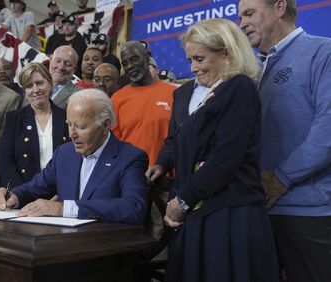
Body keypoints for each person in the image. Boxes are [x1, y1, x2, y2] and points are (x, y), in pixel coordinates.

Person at [162, 18, 278, 282]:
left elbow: (225, 159)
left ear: (226, 52)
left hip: (229, 217)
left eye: (200, 59)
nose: (192, 68)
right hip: (208, 212)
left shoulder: (239, 87)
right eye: (190, 60)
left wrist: (181, 202)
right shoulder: (217, 91)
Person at [239, 1, 331, 281]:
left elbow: (327, 130)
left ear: (279, 7)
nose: (241, 23)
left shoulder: (323, 51)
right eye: (240, 15)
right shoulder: (251, 71)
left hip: (309, 213)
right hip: (260, 209)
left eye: (249, 13)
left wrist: (281, 178)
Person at [0, 89, 149, 224]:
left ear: (106, 125)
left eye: (81, 127)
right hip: (63, 245)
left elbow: (134, 208)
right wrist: (14, 196)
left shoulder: (130, 158)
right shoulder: (64, 153)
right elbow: (34, 188)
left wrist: (64, 208)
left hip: (104, 249)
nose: (71, 134)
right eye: (69, 124)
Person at [0, 63, 69, 187]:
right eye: (29, 86)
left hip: (61, 193)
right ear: (24, 91)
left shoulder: (66, 118)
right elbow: (6, 163)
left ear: (49, 83)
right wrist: (21, 194)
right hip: (24, 194)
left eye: (39, 83)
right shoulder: (13, 119)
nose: (35, 90)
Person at [111, 41, 176, 166]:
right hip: (131, 175)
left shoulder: (174, 93)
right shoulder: (117, 98)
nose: (129, 66)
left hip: (168, 175)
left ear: (147, 59)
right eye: (125, 63)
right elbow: (114, 145)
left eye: (134, 59)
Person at [47, 45, 83, 110]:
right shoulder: (34, 86)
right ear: (50, 62)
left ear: (74, 69)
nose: (61, 67)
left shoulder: (80, 95)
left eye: (67, 64)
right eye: (57, 61)